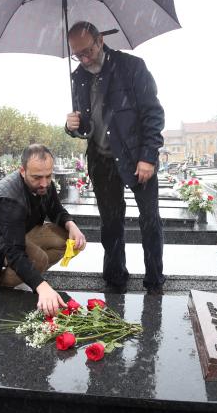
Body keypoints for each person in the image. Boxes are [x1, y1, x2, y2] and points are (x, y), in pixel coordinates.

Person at [64, 21, 166, 293]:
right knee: (110, 221)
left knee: (149, 220)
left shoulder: (131, 67)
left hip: (135, 157)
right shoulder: (77, 77)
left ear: (100, 41)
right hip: (101, 159)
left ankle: (155, 281)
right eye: (78, 55)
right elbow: (85, 126)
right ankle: (115, 278)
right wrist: (72, 125)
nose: (84, 59)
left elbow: (153, 115)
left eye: (87, 51)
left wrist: (148, 157)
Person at [0, 144, 86, 315]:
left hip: (18, 230)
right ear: (22, 171)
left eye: (48, 176)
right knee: (39, 259)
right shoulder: (9, 199)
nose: (44, 183)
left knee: (69, 241)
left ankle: (26, 274)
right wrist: (42, 286)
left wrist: (71, 225)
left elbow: (55, 210)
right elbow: (14, 251)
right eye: (37, 178)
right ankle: (9, 282)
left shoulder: (44, 183)